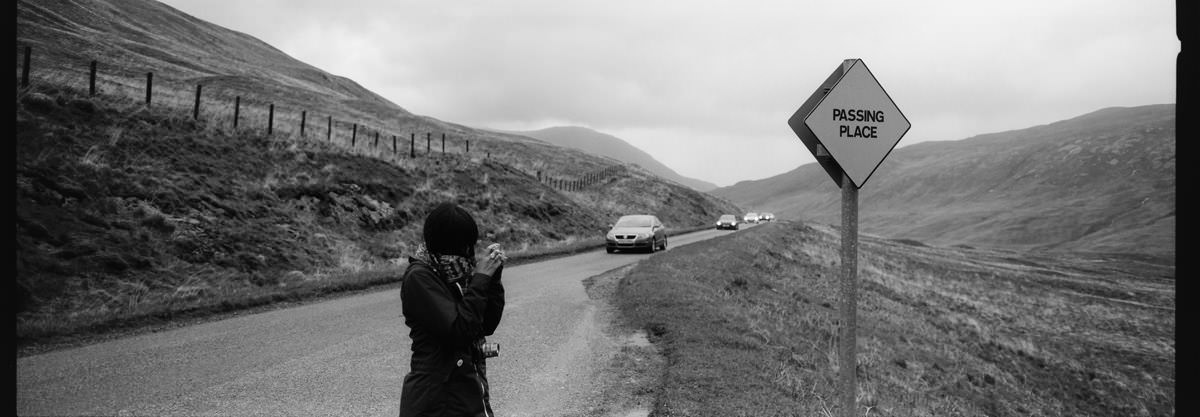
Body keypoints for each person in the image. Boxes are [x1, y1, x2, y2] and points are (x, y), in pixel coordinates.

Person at [400, 202, 506, 417]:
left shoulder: (457, 275)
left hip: (465, 388)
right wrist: (480, 280)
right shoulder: (419, 277)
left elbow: (486, 325)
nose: (469, 253)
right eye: (466, 246)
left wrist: (492, 280)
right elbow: (459, 331)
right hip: (436, 398)